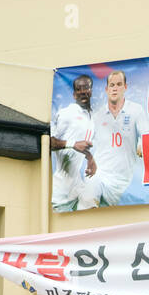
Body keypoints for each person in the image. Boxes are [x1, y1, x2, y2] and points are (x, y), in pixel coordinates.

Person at [78, 70, 148, 209]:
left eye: (119, 84)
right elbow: (84, 141)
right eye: (112, 85)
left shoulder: (136, 110)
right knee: (87, 203)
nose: (115, 88)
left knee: (105, 217)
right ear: (106, 89)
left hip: (121, 180)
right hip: (99, 173)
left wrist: (141, 144)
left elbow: (146, 134)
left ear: (125, 87)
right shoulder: (97, 116)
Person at [50, 75, 96, 212]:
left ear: (91, 91)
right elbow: (50, 142)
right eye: (78, 89)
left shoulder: (90, 118)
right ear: (74, 94)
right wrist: (73, 144)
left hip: (77, 185)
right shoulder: (66, 113)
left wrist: (89, 157)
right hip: (62, 190)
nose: (82, 91)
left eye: (86, 88)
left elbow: (80, 145)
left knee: (93, 213)